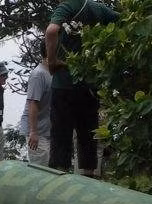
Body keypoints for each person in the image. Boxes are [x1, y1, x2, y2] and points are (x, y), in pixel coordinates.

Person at [45, 0, 118, 176]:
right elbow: (123, 21)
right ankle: (88, 177)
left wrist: (52, 60)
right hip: (90, 85)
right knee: (88, 135)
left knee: (61, 135)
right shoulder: (99, 9)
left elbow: (51, 30)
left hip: (64, 84)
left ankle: (58, 177)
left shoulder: (68, 6)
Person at [19, 41, 53, 166]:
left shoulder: (53, 73)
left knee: (51, 167)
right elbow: (33, 103)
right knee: (41, 168)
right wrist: (33, 132)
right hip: (37, 131)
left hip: (48, 130)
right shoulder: (38, 75)